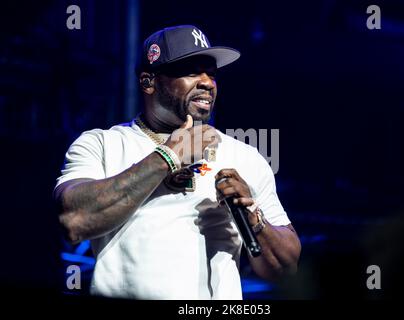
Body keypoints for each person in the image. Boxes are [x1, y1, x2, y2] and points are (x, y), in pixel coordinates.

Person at [54, 25, 301, 300]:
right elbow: (73, 221)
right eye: (192, 71)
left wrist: (254, 217)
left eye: (212, 74)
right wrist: (169, 156)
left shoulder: (244, 157)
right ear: (149, 82)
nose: (207, 82)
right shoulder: (101, 144)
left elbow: (286, 267)